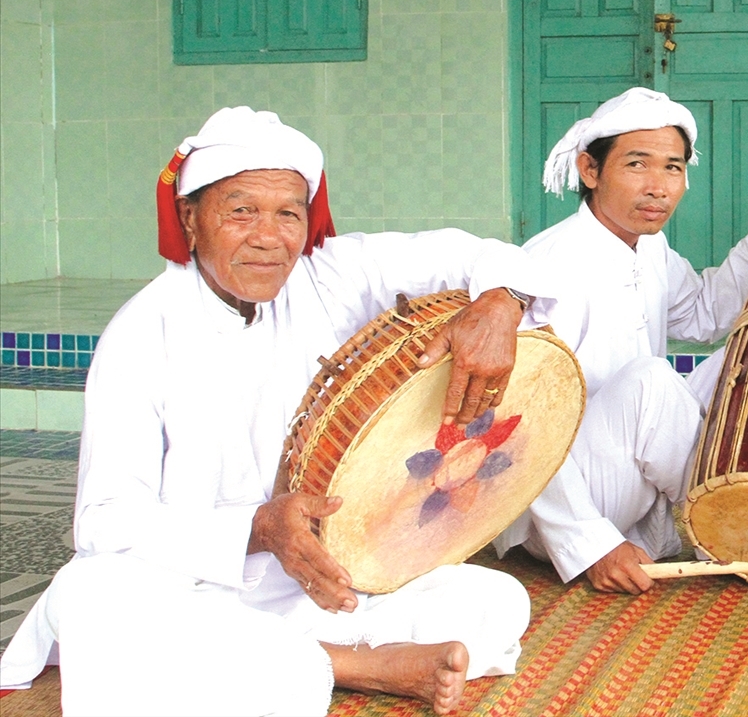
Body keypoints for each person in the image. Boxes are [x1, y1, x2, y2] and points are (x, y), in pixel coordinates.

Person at [0, 107, 555, 716]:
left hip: (326, 584)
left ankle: (300, 659)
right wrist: (257, 529)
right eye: (240, 211)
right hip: (195, 591)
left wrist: (500, 304)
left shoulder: (330, 275)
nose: (269, 236)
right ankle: (356, 666)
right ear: (190, 218)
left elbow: (486, 254)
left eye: (289, 212)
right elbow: (103, 522)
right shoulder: (141, 334)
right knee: (92, 596)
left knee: (496, 600)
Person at [497, 87, 748, 593]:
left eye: (673, 168)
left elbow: (703, 315)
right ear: (591, 171)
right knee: (653, 380)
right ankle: (737, 527)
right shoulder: (549, 264)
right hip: (554, 505)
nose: (659, 187)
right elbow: (517, 419)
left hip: (623, 473)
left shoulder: (648, 247)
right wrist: (592, 545)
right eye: (638, 164)